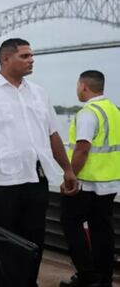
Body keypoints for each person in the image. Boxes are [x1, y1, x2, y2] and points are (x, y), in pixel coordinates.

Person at [0, 38, 78, 286]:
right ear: (6, 59)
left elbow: (53, 134)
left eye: (31, 55)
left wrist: (67, 169)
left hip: (35, 179)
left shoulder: (38, 94)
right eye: (25, 56)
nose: (31, 60)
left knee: (33, 241)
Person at [60, 70, 118, 287]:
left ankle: (87, 276)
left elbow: (82, 149)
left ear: (83, 86)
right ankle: (104, 279)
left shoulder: (88, 113)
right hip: (110, 181)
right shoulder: (113, 110)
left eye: (77, 85)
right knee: (103, 229)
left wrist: (70, 177)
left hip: (86, 183)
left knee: (70, 222)